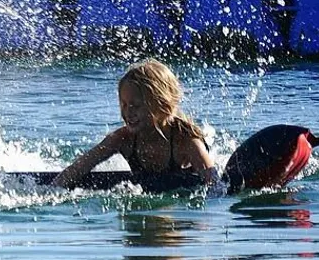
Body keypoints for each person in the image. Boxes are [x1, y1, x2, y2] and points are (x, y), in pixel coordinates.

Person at [53, 58, 218, 192]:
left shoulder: (186, 140)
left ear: (162, 105)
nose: (128, 112)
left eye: (136, 105)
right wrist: (50, 191)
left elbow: (215, 183)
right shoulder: (122, 138)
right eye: (124, 105)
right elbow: (78, 168)